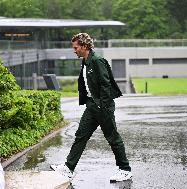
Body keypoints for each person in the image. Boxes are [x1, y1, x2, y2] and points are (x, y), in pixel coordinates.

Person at [51, 33, 132, 182]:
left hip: (102, 107)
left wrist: (103, 105)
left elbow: (106, 85)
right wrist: (92, 103)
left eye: (76, 47)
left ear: (84, 46)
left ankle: (125, 170)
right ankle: (69, 168)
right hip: (92, 106)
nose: (74, 50)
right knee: (80, 135)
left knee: (113, 137)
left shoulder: (97, 60)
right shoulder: (86, 61)